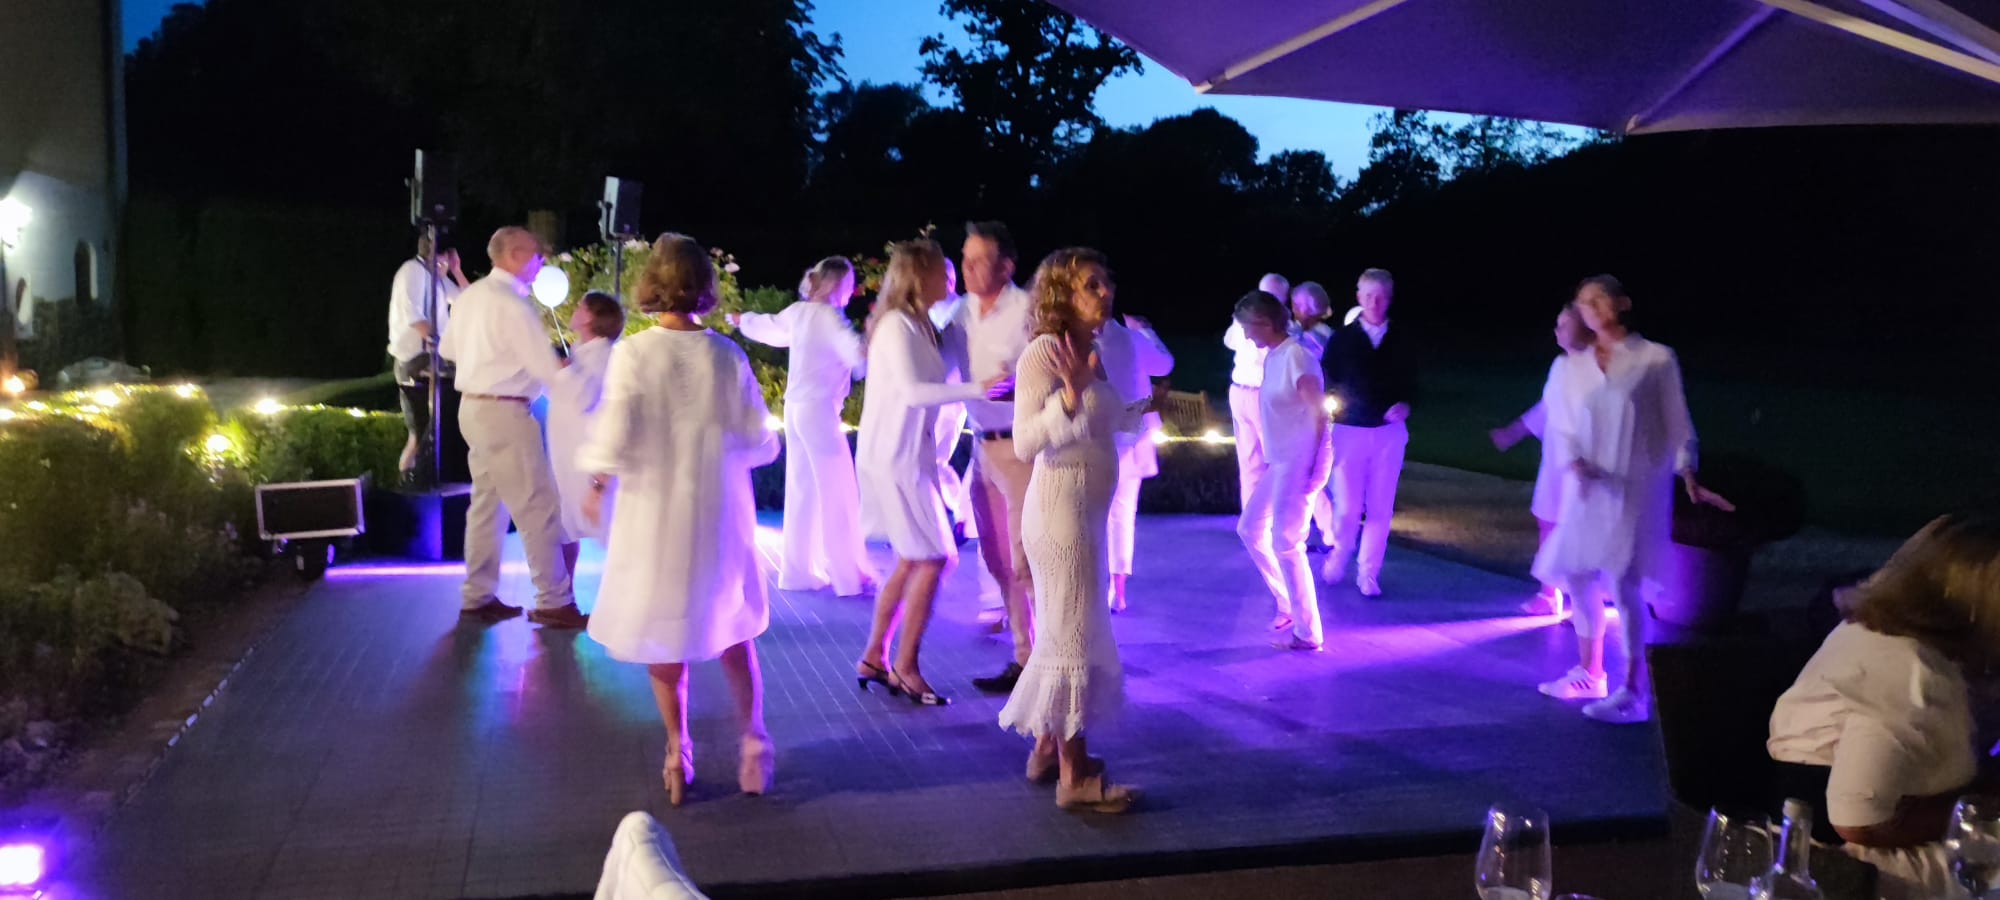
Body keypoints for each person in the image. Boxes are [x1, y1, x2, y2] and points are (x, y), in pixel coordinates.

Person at [579, 233, 780, 806]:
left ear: (653, 283)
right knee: (734, 628)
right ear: (705, 287)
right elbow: (755, 437)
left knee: (663, 632)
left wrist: (597, 483)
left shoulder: (635, 354)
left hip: (654, 511)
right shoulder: (727, 355)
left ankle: (677, 749)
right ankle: (753, 741)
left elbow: (615, 432)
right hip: (717, 508)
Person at [1767, 512, 2000, 900]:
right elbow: (1858, 820)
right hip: (1842, 869)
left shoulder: (1897, 631)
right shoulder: (1910, 675)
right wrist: (1977, 807)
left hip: (1845, 844)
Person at [1533, 274, 1732, 723]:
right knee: (1577, 571)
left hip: (1635, 488)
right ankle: (1590, 670)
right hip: (1589, 488)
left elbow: (1677, 422)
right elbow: (1562, 424)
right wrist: (1572, 461)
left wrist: (1687, 470)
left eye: (1599, 299)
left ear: (1621, 302)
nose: (1592, 309)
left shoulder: (1655, 360)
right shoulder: (1575, 366)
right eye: (1584, 303)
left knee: (1624, 582)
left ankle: (1636, 690)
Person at [997, 247, 1140, 814]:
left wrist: (1140, 408)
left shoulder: (1096, 351)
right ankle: (1074, 778)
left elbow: (1099, 422)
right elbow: (1028, 442)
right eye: (1090, 285)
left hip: (1088, 513)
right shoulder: (1043, 354)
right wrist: (1072, 393)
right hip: (1060, 513)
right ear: (1061, 293)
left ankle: (1045, 750)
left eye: (1106, 283)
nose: (1104, 293)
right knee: (1072, 638)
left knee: (1064, 631)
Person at [854, 239, 999, 707]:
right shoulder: (896, 326)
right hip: (894, 458)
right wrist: (983, 387)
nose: (952, 279)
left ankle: (875, 656)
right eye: (945, 271)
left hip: (911, 457)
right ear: (920, 276)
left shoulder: (922, 324)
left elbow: (947, 369)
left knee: (914, 558)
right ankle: (906, 665)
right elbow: (916, 392)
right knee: (938, 558)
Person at [438, 226, 585, 627]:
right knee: (536, 506)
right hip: (506, 411)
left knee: (487, 506)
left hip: (473, 409)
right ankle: (554, 599)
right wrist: (578, 388)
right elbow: (545, 369)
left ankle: (477, 594)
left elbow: (447, 349)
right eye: (538, 257)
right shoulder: (513, 304)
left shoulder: (471, 298)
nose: (541, 265)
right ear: (518, 255)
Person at [733, 257, 876, 597]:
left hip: (795, 408)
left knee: (802, 489)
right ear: (838, 285)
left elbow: (768, 326)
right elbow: (858, 360)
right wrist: (872, 336)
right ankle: (847, 575)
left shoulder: (799, 313)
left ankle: (798, 571)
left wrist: (742, 320)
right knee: (837, 489)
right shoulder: (829, 318)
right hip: (819, 411)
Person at [949, 222, 1040, 695]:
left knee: (1028, 559)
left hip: (1021, 447)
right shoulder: (959, 313)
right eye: (964, 258)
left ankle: (1048, 661)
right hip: (982, 445)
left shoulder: (1027, 312)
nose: (967, 268)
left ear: (1007, 265)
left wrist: (1014, 385)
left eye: (979, 260)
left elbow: (1048, 376)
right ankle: (1023, 656)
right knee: (997, 557)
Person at [1234, 290, 1332, 647]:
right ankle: (1288, 602)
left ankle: (1308, 632)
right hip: (1281, 460)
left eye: (1247, 327)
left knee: (1287, 542)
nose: (1245, 335)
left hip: (1299, 460)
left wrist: (1317, 467)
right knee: (1250, 528)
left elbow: (1321, 413)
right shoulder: (1275, 356)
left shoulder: (1297, 357)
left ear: (1264, 323)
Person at [1489, 303, 1597, 617]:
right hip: (1555, 460)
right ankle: (1549, 594)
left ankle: (1584, 599)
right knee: (1547, 521)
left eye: (1564, 324)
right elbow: (1546, 407)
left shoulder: (1600, 369)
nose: (1557, 330)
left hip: (1584, 464)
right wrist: (1513, 432)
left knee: (1578, 528)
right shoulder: (1560, 366)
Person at [1319, 269, 1417, 598]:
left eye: (1382, 296)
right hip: (1350, 431)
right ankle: (1340, 554)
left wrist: (1406, 403)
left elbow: (1414, 382)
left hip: (1389, 433)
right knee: (1347, 507)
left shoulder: (1402, 337)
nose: (1375, 302)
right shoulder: (1343, 339)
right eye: (1369, 295)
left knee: (1380, 507)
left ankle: (1369, 572)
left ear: (1389, 298)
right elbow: (1325, 378)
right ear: (1359, 297)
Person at [1096, 303, 1174, 613]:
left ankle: (1106, 588)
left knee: (1099, 516)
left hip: (1103, 438)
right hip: (1129, 437)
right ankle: (1118, 591)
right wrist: (1145, 330)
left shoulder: (1083, 340)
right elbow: (1164, 364)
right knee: (1121, 516)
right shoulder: (1134, 339)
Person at [549, 291, 624, 574]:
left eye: (580, 306)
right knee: (565, 527)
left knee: (601, 528)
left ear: (591, 317)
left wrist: (558, 371)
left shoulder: (602, 355)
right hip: (570, 456)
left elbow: (582, 396)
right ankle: (564, 597)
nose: (575, 309)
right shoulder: (583, 353)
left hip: (586, 459)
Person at [387, 235, 470, 480]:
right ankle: (408, 480)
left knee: (434, 428)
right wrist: (441, 345)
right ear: (437, 255)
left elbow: (468, 300)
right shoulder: (411, 272)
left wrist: (457, 270)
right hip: (414, 360)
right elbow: (415, 318)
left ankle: (431, 476)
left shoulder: (438, 279)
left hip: (432, 357)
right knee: (421, 431)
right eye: (446, 259)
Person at [1221, 273, 1295, 515]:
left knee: (1280, 461)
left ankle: (1287, 523)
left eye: (1271, 296)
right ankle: (1253, 523)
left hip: (1267, 395)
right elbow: (1230, 341)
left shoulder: (1285, 327)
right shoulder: (1245, 319)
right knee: (1250, 463)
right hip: (1241, 391)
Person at [1291, 281, 1338, 549]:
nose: (1294, 310)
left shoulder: (1318, 337)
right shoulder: (1302, 333)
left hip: (1311, 412)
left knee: (1311, 475)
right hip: (1302, 411)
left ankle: (1321, 533)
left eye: (1297, 306)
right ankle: (1315, 532)